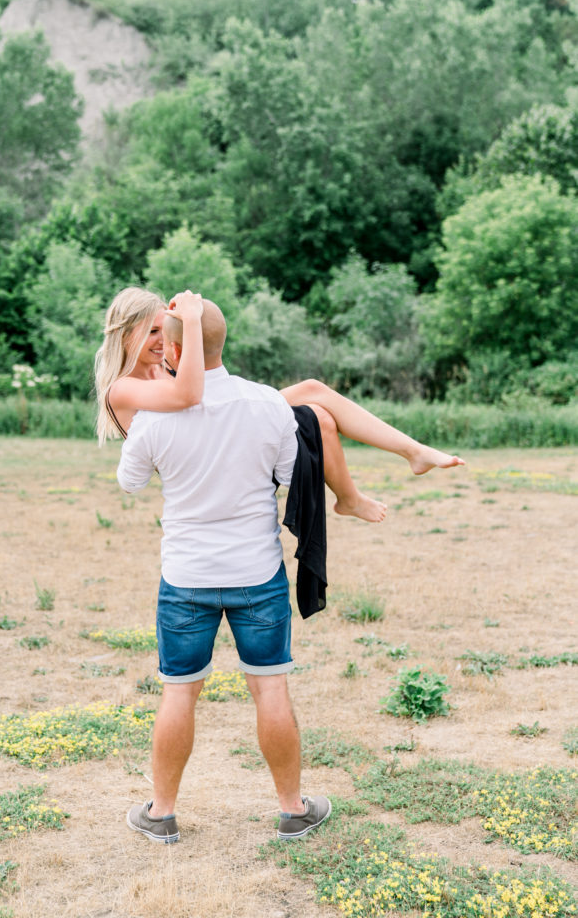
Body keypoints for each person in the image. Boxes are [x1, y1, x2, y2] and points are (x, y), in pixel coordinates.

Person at [117, 300, 332, 843]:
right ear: (221, 341)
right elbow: (291, 475)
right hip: (257, 574)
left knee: (179, 692)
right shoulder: (267, 404)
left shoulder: (155, 415)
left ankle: (161, 816)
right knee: (270, 689)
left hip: (186, 578)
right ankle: (292, 810)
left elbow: (131, 483)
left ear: (173, 348)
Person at [94, 287, 464, 524]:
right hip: (208, 460)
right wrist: (190, 322)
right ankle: (356, 493)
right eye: (152, 332)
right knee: (312, 394)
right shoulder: (122, 390)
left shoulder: (165, 370)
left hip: (220, 434)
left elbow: (210, 391)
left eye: (165, 329)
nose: (162, 341)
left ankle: (399, 461)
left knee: (317, 406)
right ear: (125, 336)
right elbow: (191, 397)